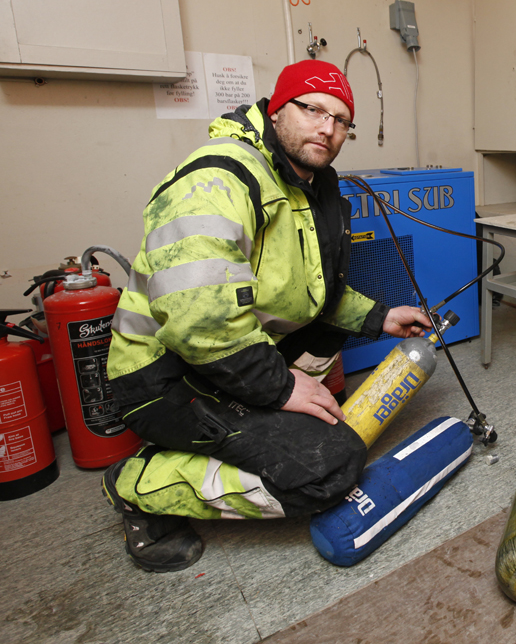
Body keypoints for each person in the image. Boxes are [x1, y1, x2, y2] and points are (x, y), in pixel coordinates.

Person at [101, 60, 432, 573]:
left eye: (342, 119)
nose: (328, 127)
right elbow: (197, 320)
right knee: (330, 468)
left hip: (227, 354)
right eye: (312, 108)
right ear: (277, 110)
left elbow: (305, 294)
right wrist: (281, 389)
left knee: (328, 337)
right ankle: (137, 483)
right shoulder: (219, 177)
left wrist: (381, 317)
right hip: (162, 371)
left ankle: (255, 429)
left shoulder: (311, 183)